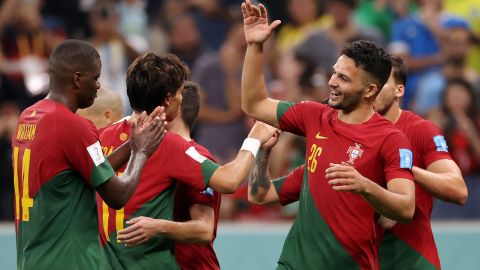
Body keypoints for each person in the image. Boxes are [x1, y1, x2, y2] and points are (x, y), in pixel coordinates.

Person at [249, 56, 468, 270]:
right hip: (363, 258)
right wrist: (263, 151)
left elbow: (457, 190)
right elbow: (263, 193)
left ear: (397, 90)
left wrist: (397, 170)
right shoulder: (334, 136)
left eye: (383, 83)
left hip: (409, 259)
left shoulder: (418, 131)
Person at [240, 1, 415, 269]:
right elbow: (254, 105)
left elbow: (405, 208)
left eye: (344, 78)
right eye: (335, 73)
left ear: (369, 91)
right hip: (294, 264)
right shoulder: (314, 115)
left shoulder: (391, 139)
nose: (332, 81)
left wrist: (365, 185)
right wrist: (254, 46)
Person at [96, 52, 276, 269]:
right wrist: (254, 137)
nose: (182, 99)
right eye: (180, 93)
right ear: (168, 100)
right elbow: (229, 181)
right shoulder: (170, 145)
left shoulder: (101, 137)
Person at [11, 40, 166, 270]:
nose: (98, 85)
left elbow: (90, 170)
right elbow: (117, 194)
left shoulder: (28, 116)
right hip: (68, 261)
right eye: (95, 78)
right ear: (77, 79)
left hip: (31, 259)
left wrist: (133, 144)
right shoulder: (73, 126)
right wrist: (141, 152)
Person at [117, 82, 220, 269]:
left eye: (161, 104)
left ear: (174, 109)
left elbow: (205, 229)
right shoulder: (157, 152)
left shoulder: (198, 157)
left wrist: (158, 226)